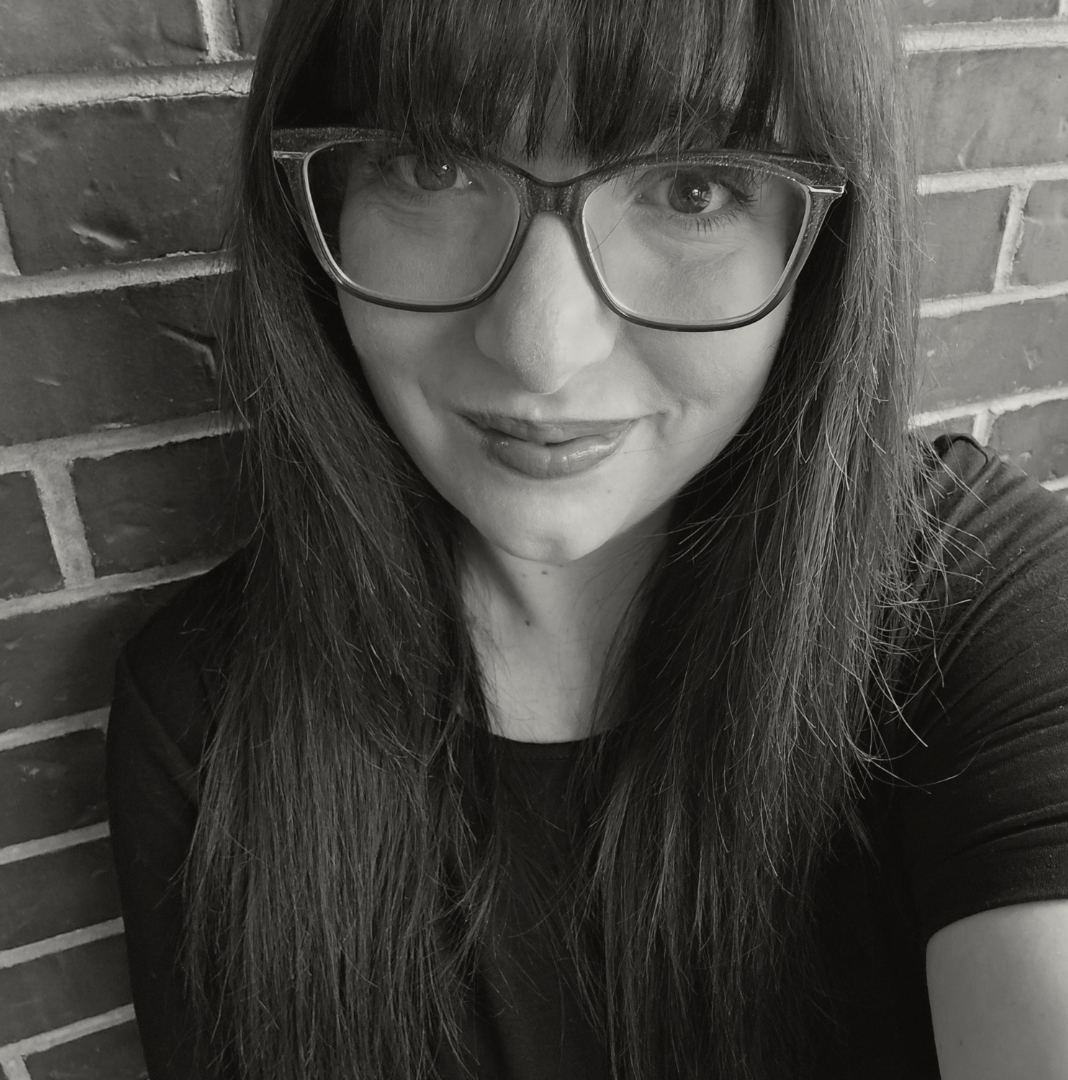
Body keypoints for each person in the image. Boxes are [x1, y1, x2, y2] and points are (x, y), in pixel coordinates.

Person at [104, 0, 1068, 1077]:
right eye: (433, 168)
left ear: (823, 246)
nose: (541, 349)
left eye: (692, 190)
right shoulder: (204, 718)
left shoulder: (986, 611)